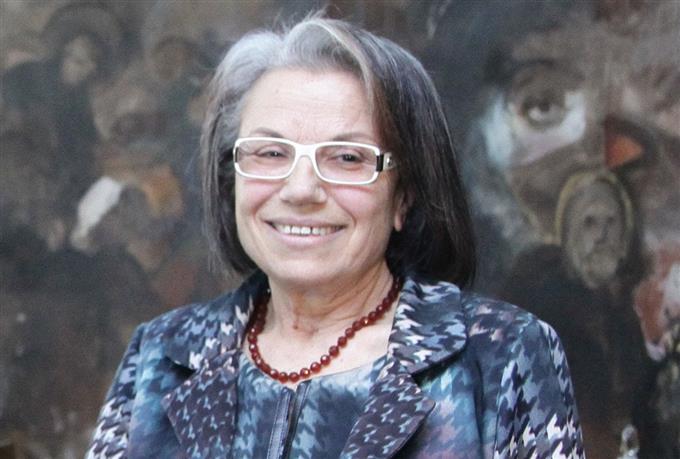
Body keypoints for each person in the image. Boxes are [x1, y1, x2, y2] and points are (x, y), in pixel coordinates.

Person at [87, 16, 584, 458]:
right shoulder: (162, 354)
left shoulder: (500, 355)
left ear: (404, 196)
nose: (301, 190)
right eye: (270, 153)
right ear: (232, 178)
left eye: (347, 158)